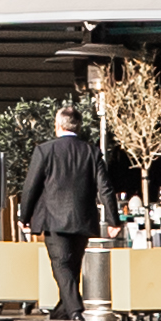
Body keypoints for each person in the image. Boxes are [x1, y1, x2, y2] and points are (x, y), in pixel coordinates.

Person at [18, 104, 119, 306]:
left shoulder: (44, 151)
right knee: (72, 267)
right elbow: (105, 188)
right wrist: (112, 220)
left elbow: (31, 187)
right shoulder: (92, 152)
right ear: (79, 127)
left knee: (61, 264)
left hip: (53, 218)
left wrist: (24, 217)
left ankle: (74, 308)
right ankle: (63, 311)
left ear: (57, 125)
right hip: (83, 217)